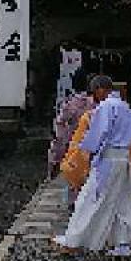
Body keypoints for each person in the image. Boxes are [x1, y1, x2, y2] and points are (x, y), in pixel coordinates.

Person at [51, 76, 131, 257]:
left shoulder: (105, 107)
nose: (94, 98)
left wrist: (87, 157)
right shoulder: (127, 108)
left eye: (95, 93)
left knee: (90, 199)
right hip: (124, 159)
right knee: (123, 202)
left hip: (107, 159)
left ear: (101, 89)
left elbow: (97, 135)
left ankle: (74, 240)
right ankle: (123, 243)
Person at [47, 67, 94, 206]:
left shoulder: (69, 106)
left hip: (74, 150)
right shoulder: (98, 105)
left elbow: (60, 134)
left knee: (74, 184)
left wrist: (54, 160)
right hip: (95, 151)